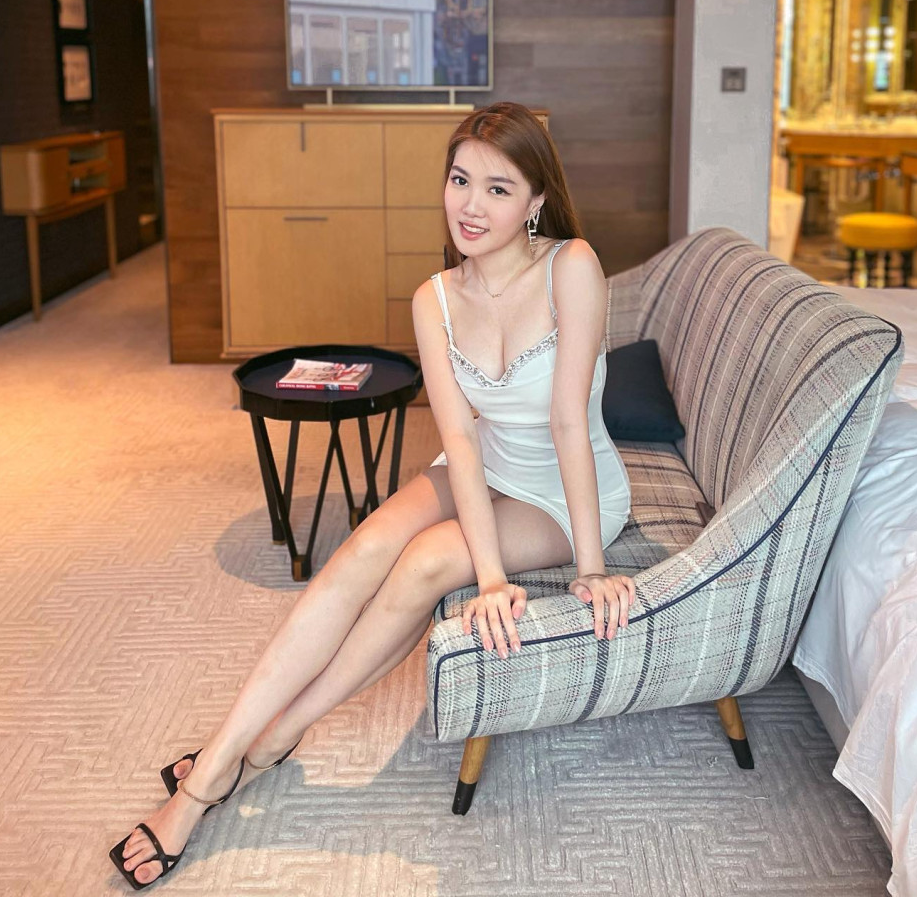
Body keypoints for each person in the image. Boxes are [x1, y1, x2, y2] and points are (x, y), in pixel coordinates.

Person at [110, 100, 636, 889]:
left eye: (498, 188)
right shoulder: (436, 298)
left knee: (426, 563)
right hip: (483, 463)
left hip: (563, 492)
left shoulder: (572, 266)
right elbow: (460, 439)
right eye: (460, 180)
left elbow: (568, 423)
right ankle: (225, 756)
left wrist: (567, 570)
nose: (470, 205)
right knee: (363, 550)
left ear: (536, 200)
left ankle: (252, 752)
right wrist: (488, 565)